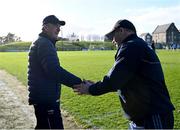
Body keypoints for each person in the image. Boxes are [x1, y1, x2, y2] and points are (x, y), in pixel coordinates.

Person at [74, 19, 175, 129]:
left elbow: (114, 81)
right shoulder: (137, 45)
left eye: (113, 36)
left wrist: (90, 89)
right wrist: (95, 85)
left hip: (152, 117)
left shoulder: (131, 46)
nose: (113, 41)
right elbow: (123, 79)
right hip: (146, 117)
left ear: (121, 30)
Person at [28, 15, 82, 129]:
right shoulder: (44, 43)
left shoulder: (42, 42)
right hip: (46, 99)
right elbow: (53, 70)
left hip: (43, 97)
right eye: (55, 26)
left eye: (59, 26)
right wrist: (79, 83)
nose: (58, 29)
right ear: (46, 27)